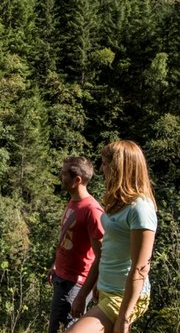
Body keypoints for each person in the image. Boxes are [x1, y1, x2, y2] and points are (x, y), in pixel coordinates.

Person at [67, 140, 157, 333]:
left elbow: (140, 267)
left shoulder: (140, 208)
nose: (101, 169)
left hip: (124, 295)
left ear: (120, 167)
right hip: (108, 290)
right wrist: (96, 285)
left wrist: (124, 318)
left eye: (106, 164)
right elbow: (107, 248)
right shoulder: (118, 203)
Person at [48, 156, 104, 333]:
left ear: (77, 180)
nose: (60, 176)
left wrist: (81, 296)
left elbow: (101, 255)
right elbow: (67, 238)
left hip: (75, 285)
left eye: (64, 174)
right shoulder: (73, 202)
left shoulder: (92, 210)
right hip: (62, 279)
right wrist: (55, 265)